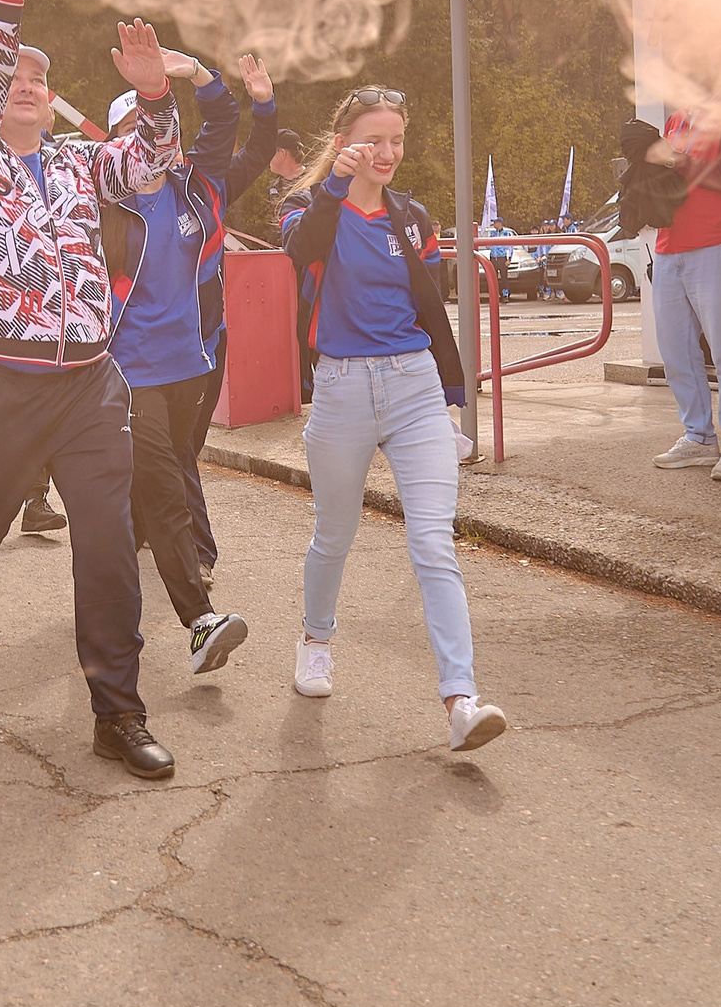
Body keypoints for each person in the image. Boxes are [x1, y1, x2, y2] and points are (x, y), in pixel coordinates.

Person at [0, 0, 184, 781]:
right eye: (13, 76)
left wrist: (153, 93)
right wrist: (4, 2)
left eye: (39, 77)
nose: (26, 85)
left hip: (90, 386)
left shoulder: (80, 163)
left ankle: (118, 711)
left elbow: (152, 161)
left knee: (106, 546)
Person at [280, 87, 508, 755]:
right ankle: (316, 639)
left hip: (413, 386)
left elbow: (427, 302)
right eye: (373, 139)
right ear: (345, 141)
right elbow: (301, 251)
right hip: (342, 388)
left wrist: (449, 390)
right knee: (334, 535)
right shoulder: (310, 208)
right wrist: (336, 186)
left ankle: (461, 700)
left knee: (434, 543)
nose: (387, 153)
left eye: (397, 140)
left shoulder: (412, 217)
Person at [98, 50, 275, 679]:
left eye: (162, 131)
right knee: (167, 488)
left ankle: (106, 598)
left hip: (189, 367)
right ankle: (199, 619)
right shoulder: (101, 208)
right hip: (127, 371)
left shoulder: (194, 190)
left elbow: (225, 126)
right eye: (137, 133)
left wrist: (197, 72)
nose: (154, 143)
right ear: (118, 144)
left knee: (145, 491)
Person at [645, 112, 721, 483]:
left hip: (716, 242)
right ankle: (699, 436)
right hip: (668, 245)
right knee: (676, 351)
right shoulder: (677, 118)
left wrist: (675, 160)